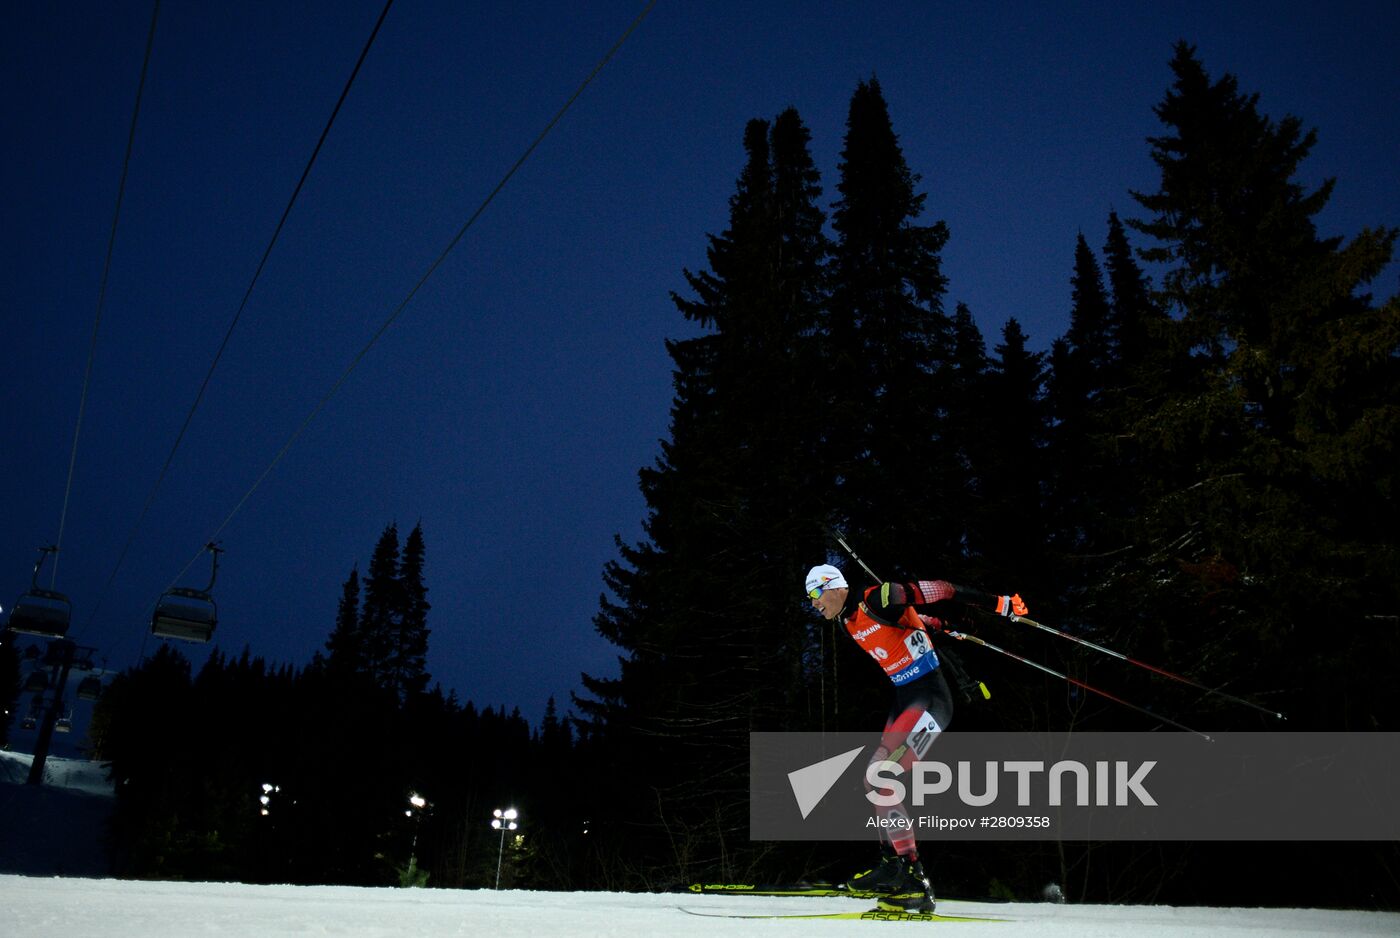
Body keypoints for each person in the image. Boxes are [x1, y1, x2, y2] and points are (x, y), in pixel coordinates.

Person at [804, 562, 1027, 913]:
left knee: (883, 776)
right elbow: (908, 628)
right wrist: (934, 627)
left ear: (834, 586)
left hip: (931, 701)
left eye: (815, 594)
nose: (814, 603)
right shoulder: (848, 622)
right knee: (873, 780)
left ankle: (913, 878)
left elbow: (942, 588)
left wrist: (998, 603)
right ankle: (893, 866)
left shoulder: (878, 598)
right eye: (809, 598)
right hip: (905, 699)